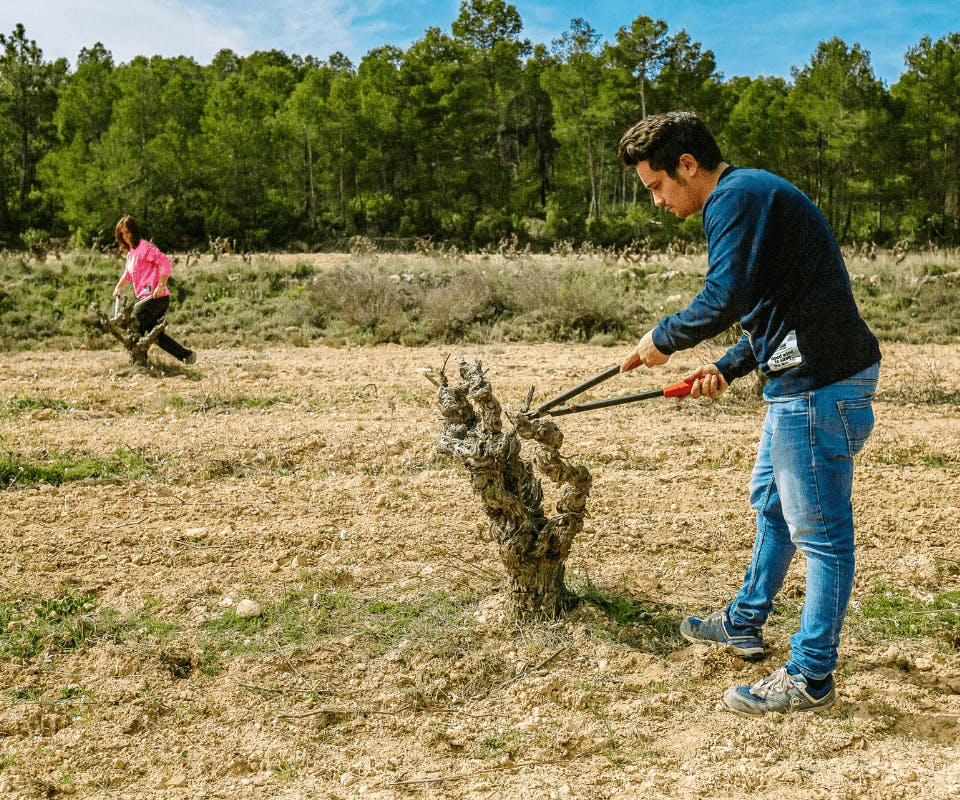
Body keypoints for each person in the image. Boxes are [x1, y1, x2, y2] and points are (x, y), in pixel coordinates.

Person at [617, 111, 881, 717]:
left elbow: (725, 295)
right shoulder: (751, 197)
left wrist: (664, 338)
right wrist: (729, 367)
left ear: (687, 165)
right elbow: (770, 304)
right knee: (772, 504)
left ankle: (811, 676)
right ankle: (744, 620)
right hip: (800, 375)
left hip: (819, 384)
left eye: (657, 186)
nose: (657, 201)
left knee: (821, 534)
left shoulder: (734, 198)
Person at [112, 214, 196, 365]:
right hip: (145, 298)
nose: (125, 236)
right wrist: (119, 287)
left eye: (127, 232)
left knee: (134, 323)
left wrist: (161, 285)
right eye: (122, 234)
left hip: (156, 297)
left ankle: (139, 362)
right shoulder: (131, 253)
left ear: (134, 231)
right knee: (153, 333)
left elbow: (166, 262)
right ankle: (187, 355)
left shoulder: (145, 247)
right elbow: (128, 274)